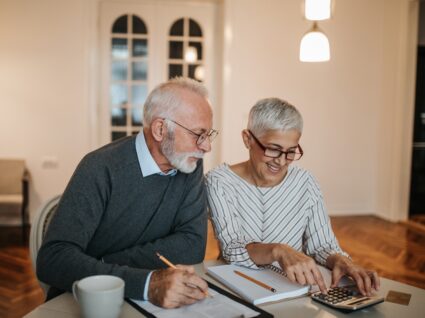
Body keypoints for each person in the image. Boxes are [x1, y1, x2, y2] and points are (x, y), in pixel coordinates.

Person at [37, 77, 219, 308]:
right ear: (160, 129)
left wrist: (103, 264)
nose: (206, 147)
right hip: (87, 301)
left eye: (208, 135)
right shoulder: (99, 167)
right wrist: (146, 283)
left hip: (147, 299)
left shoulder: (189, 164)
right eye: (198, 134)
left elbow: (192, 245)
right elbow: (53, 259)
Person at [206, 98, 380, 296]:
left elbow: (323, 245)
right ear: (248, 139)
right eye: (273, 149)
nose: (281, 161)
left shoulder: (305, 182)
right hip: (239, 286)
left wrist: (342, 260)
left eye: (290, 152)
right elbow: (232, 249)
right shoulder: (219, 181)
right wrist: (278, 251)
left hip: (293, 287)